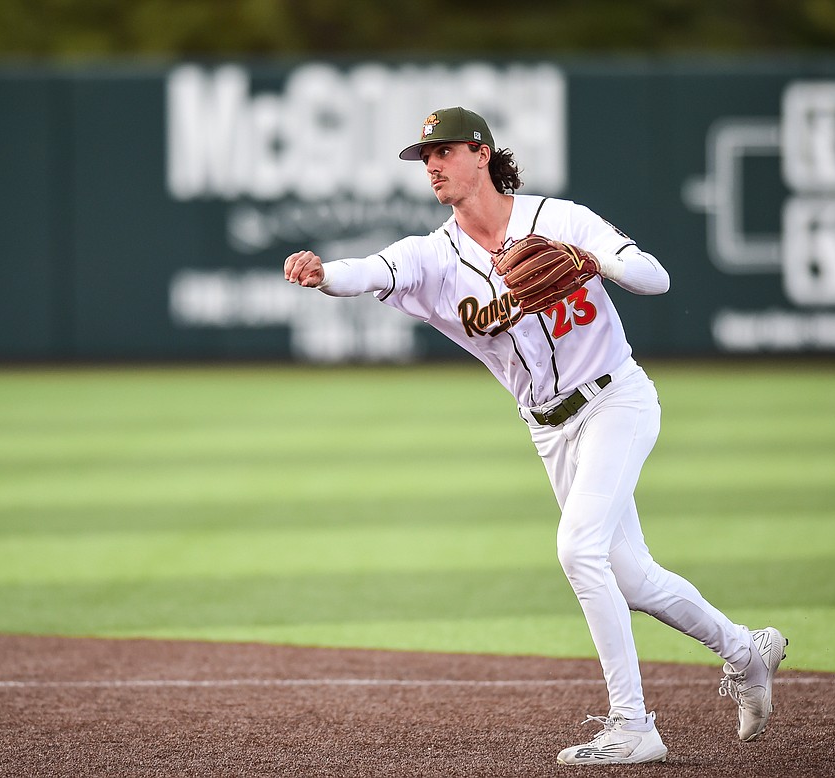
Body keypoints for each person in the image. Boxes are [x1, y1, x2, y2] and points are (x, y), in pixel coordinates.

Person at [283, 107, 787, 766]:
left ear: (481, 153)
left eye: (442, 152)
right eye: (423, 157)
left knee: (580, 551)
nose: (431, 165)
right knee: (631, 579)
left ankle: (633, 724)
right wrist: (325, 276)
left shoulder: (561, 219)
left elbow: (656, 278)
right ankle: (748, 653)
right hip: (550, 429)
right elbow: (371, 270)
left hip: (617, 400)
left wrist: (590, 260)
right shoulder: (434, 257)